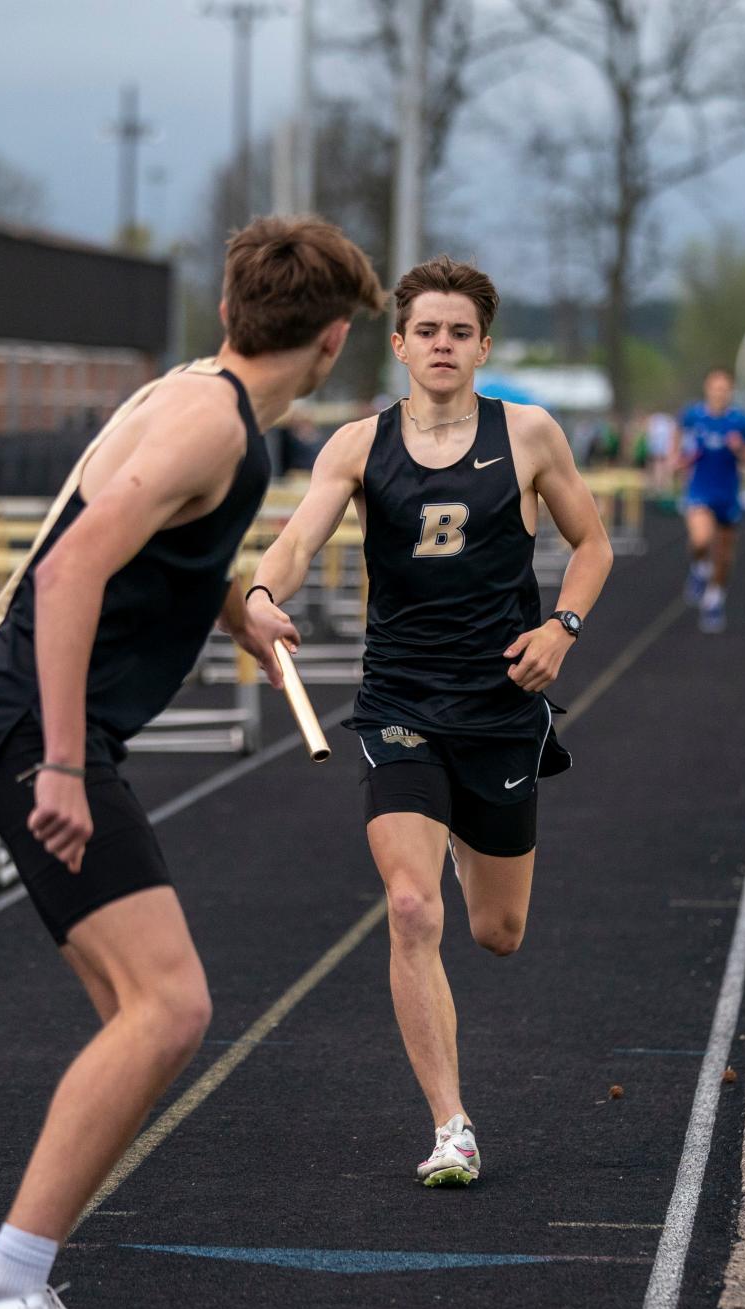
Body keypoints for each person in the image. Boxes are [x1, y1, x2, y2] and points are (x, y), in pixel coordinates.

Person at [0, 215, 384, 1309]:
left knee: (135, 1017)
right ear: (333, 337)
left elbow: (158, 543)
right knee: (171, 1008)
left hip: (26, 725)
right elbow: (74, 565)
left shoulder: (206, 402)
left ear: (234, 311)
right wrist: (67, 767)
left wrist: (240, 606)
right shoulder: (211, 426)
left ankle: (26, 1287)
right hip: (30, 731)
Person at [247, 255, 612, 1187]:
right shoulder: (358, 446)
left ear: (483, 346)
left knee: (498, 930)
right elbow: (296, 540)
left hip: (499, 706)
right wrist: (256, 593)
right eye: (427, 331)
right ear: (400, 344)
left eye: (460, 332)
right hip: (400, 701)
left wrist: (561, 629)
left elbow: (592, 543)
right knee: (412, 908)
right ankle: (452, 1124)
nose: (443, 345)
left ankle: (463, 832)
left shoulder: (527, 434)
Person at [673, 368, 745, 633]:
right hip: (700, 490)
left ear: (730, 391)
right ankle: (698, 566)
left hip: (728, 493)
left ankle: (714, 600)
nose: (719, 393)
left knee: (725, 556)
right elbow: (678, 436)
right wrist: (677, 457)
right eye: (715, 387)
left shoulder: (739, 421)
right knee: (700, 539)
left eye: (724, 388)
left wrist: (740, 449)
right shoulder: (694, 415)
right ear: (707, 388)